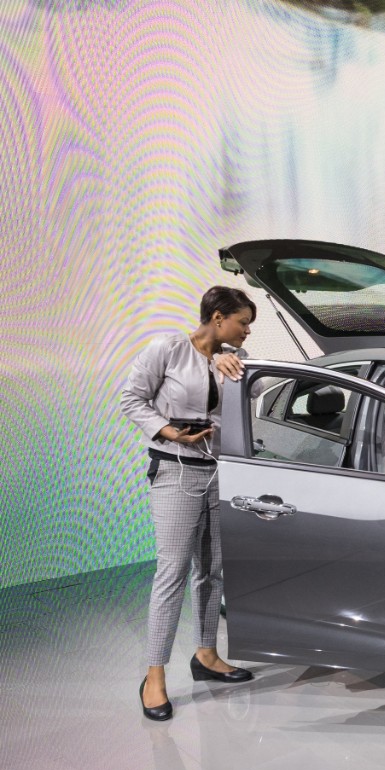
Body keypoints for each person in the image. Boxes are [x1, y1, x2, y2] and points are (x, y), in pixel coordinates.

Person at [121, 286, 257, 722]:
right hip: (174, 471)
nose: (247, 331)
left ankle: (206, 655)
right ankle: (154, 676)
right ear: (218, 318)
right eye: (243, 322)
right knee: (173, 571)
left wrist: (226, 370)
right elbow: (131, 399)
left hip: (218, 472)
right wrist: (169, 431)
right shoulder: (168, 348)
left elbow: (242, 411)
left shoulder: (232, 361)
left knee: (213, 569)